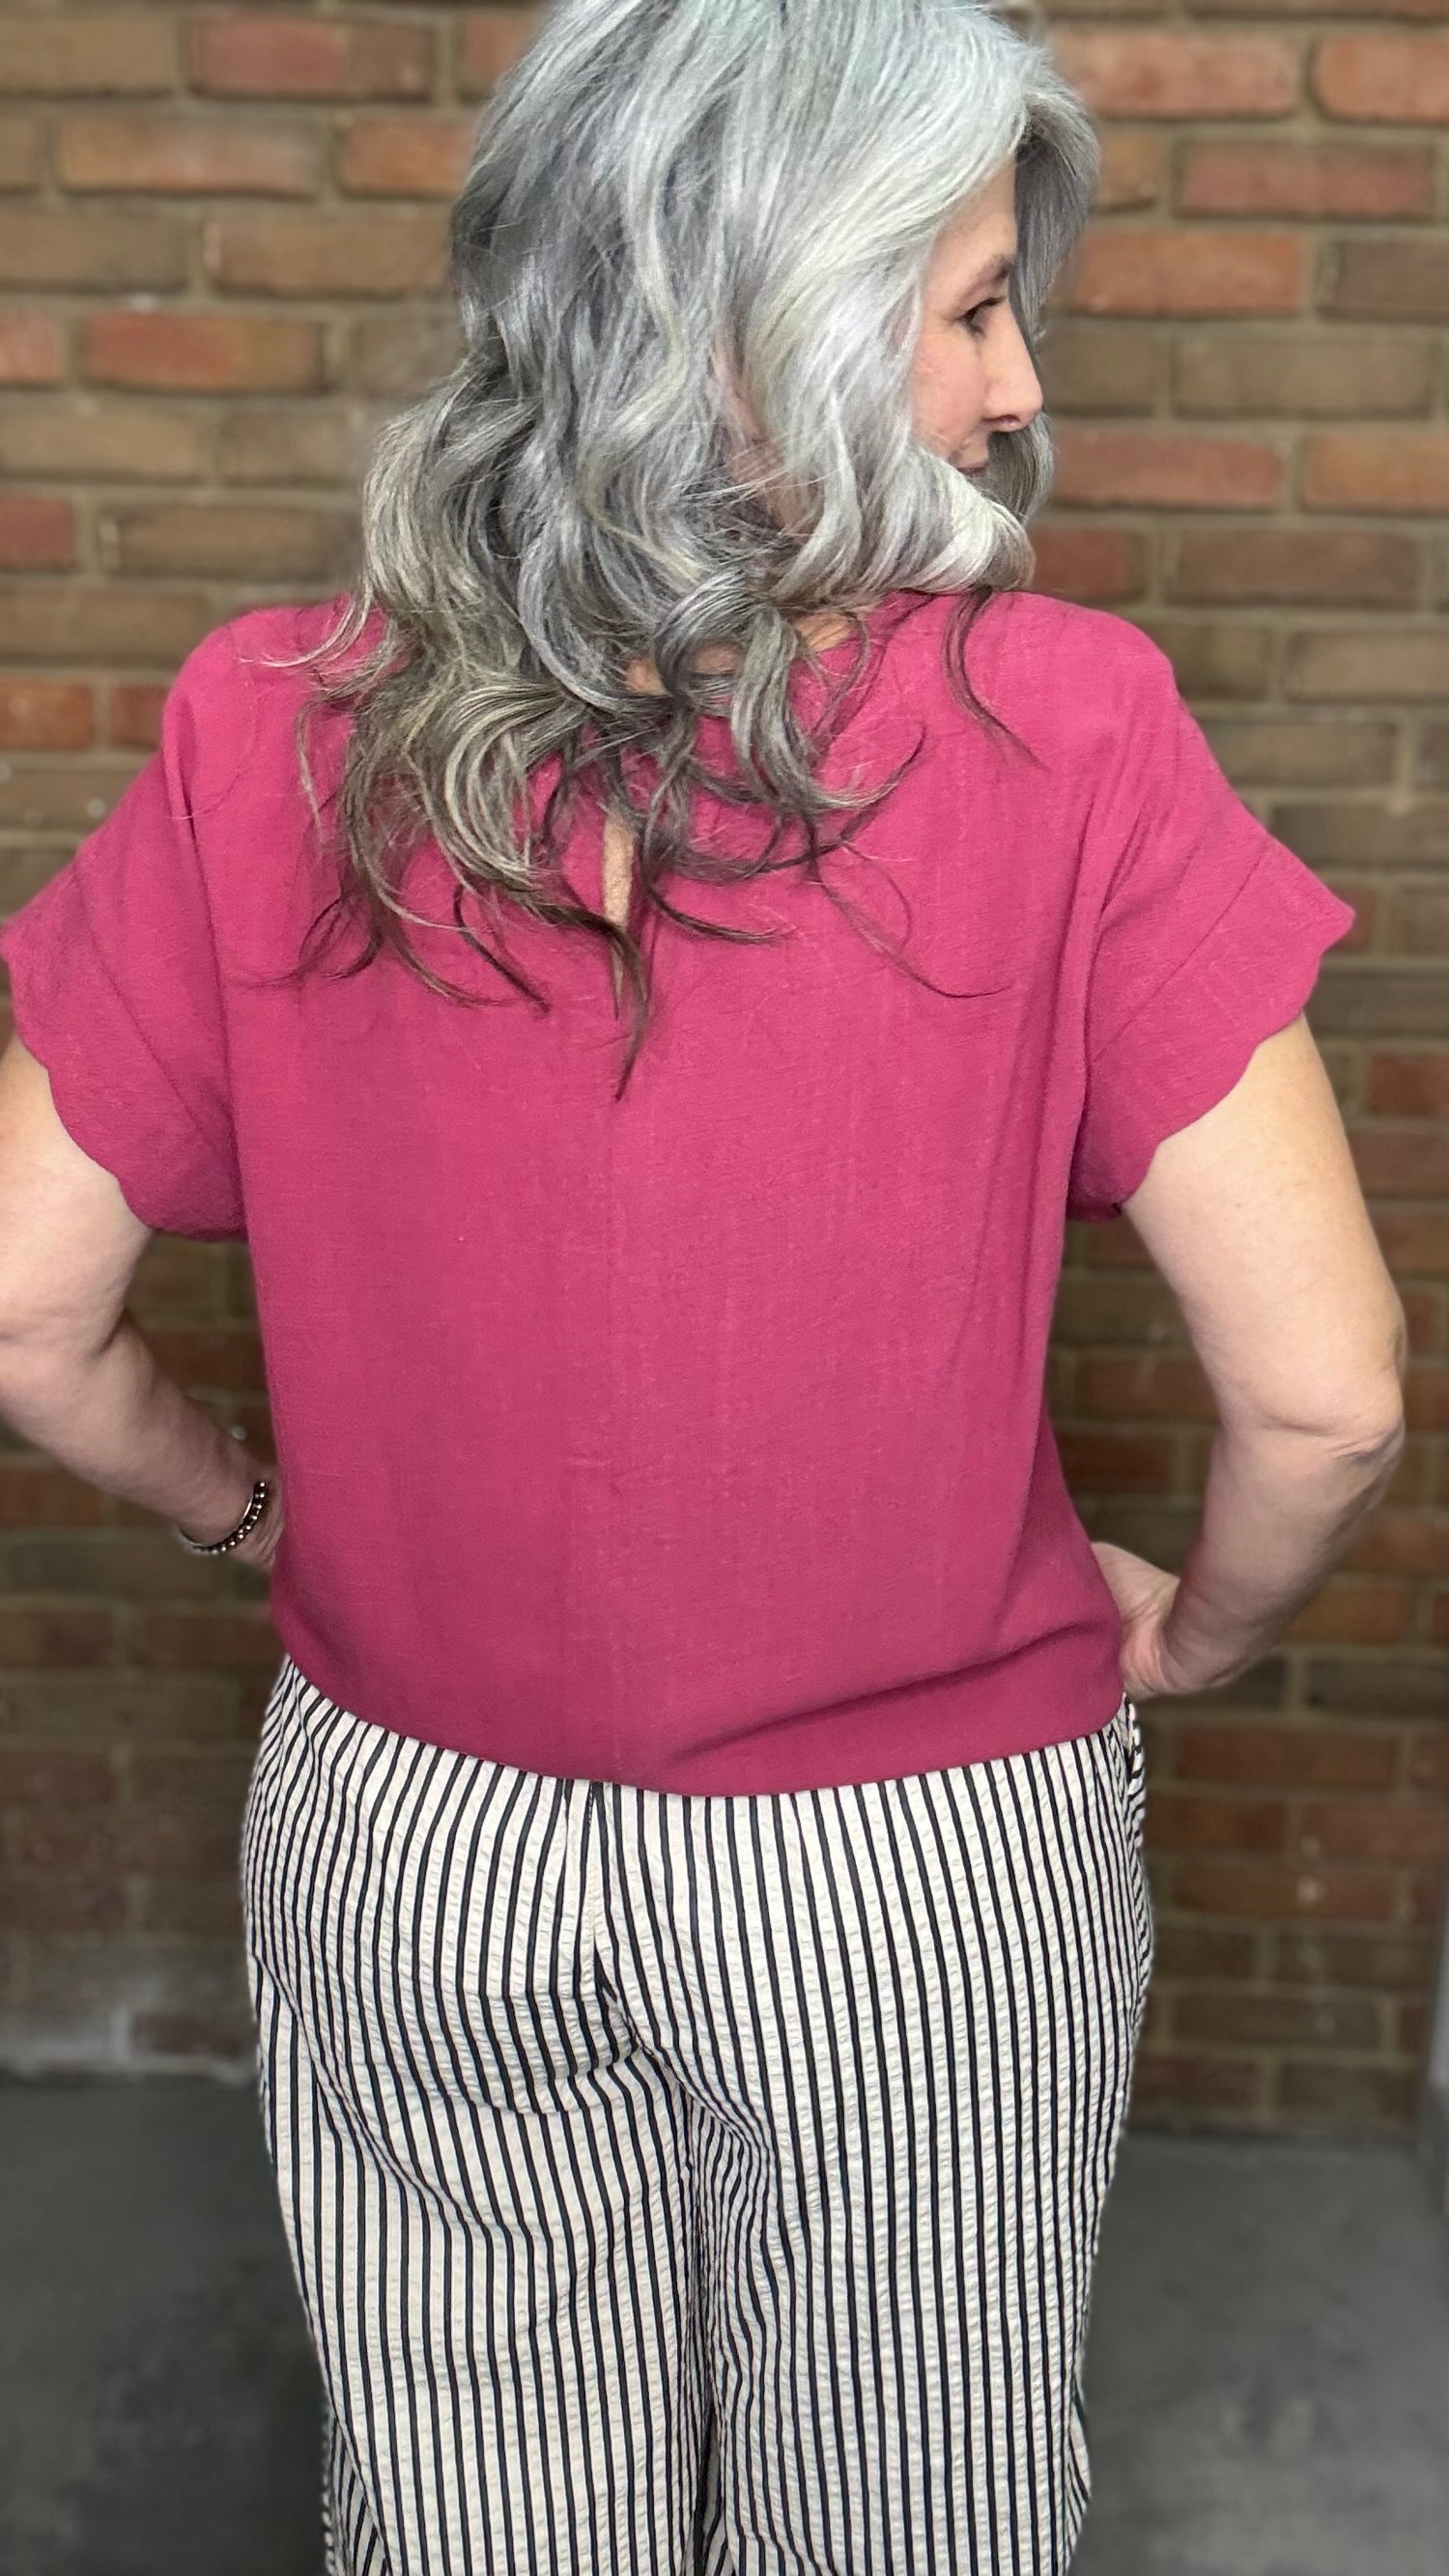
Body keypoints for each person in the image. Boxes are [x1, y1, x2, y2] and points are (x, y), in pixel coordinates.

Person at [0, 0, 1408, 2569]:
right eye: (968, 302)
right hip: (909, 1860)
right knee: (904, 2512)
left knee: (468, 2510)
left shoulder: (261, 725)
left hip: (408, 1828)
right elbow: (1319, 1397)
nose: (1009, 388)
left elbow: (22, 1310)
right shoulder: (1067, 730)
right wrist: (1186, 1642)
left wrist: (246, 1524)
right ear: (759, 313)